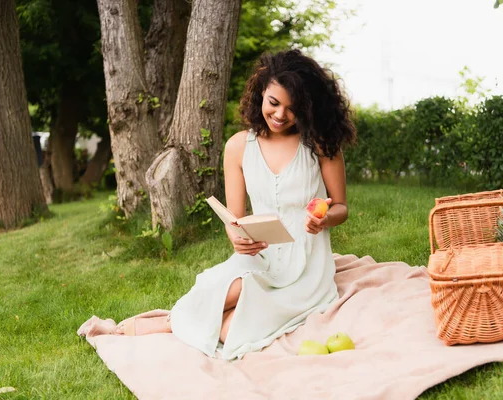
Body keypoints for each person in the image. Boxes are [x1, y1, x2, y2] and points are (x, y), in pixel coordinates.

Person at [77, 49, 356, 360]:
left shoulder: (320, 144)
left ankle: (166, 324)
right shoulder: (238, 146)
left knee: (230, 333)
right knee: (229, 290)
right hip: (261, 255)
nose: (280, 115)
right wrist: (237, 238)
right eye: (274, 103)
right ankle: (173, 321)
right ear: (261, 93)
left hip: (307, 264)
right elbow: (234, 219)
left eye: (292, 109)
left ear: (307, 108)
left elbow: (341, 207)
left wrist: (324, 220)